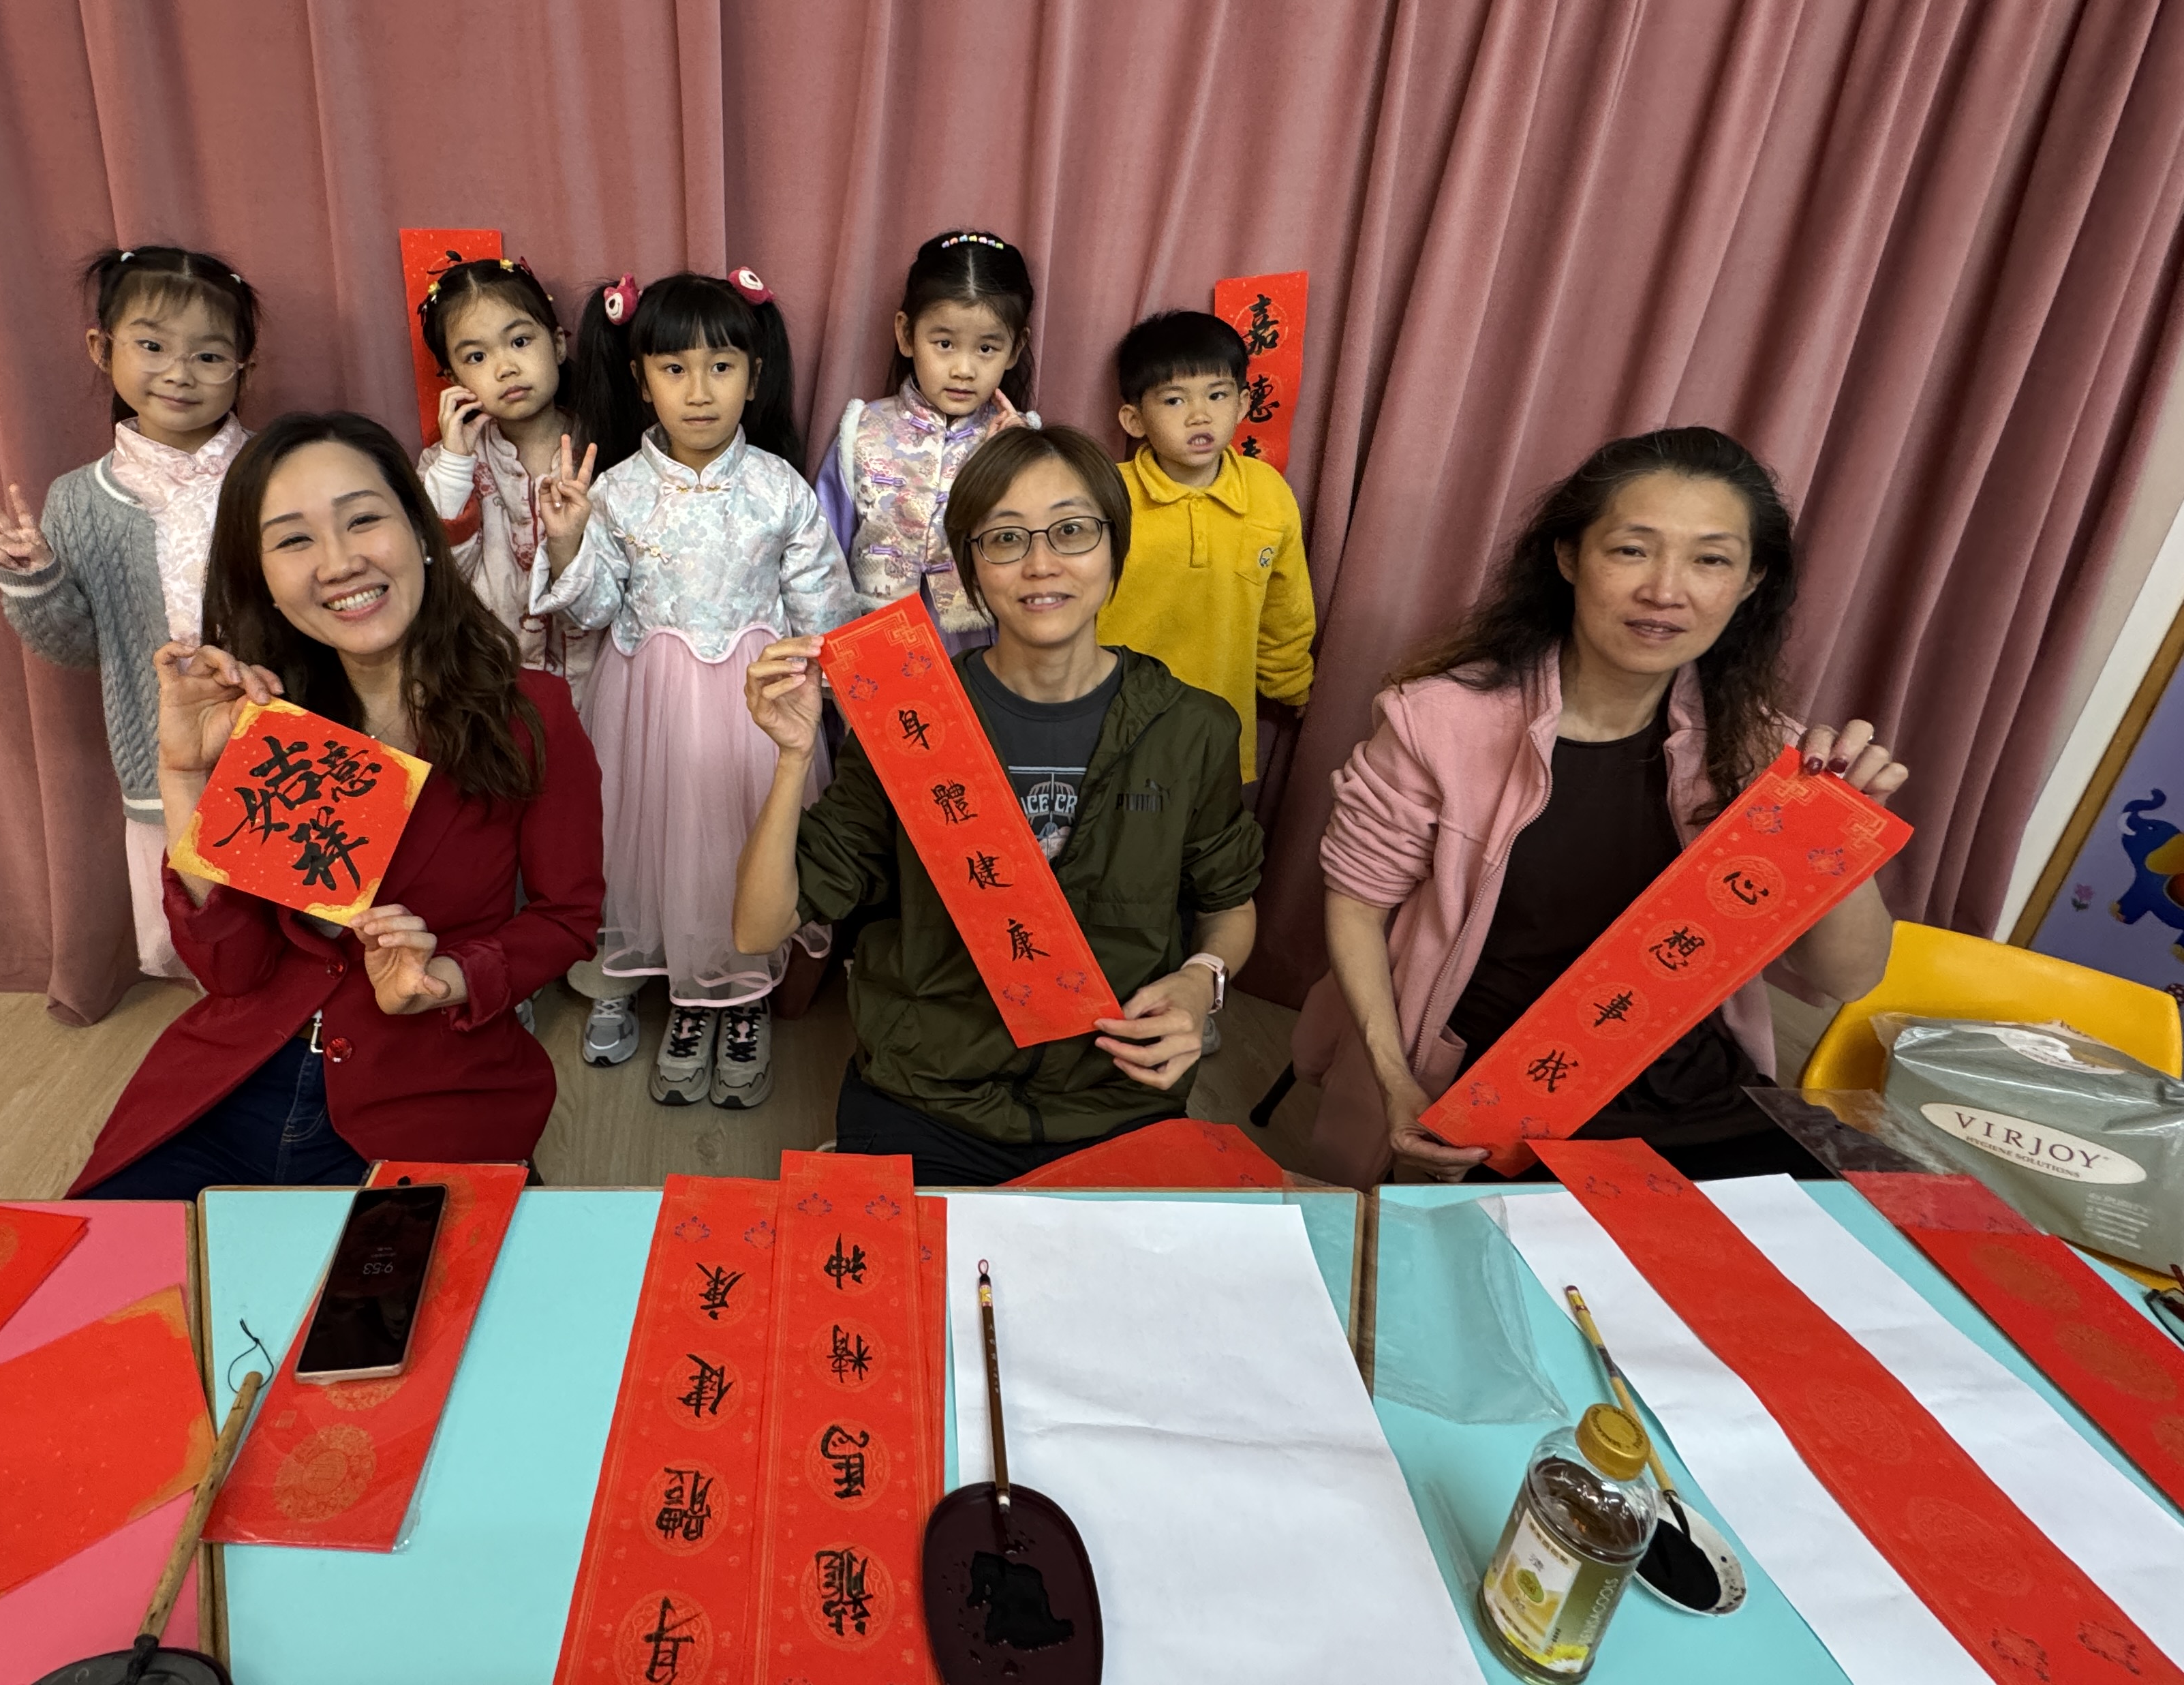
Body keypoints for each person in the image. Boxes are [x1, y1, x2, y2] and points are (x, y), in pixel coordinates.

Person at [1290, 426, 1907, 1187]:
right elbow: (1358, 907)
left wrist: (1839, 831)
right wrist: (1395, 1079)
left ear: (1751, 582)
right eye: (1632, 549)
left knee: (1885, 1235)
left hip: (1695, 1089)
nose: (1666, 590)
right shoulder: (1438, 722)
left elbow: (1848, 977)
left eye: (1710, 559)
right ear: (1569, 556)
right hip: (1495, 1097)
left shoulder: (1765, 752)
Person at [70, 412, 603, 1200]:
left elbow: (567, 919)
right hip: (235, 1084)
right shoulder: (270, 722)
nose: (339, 562)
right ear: (262, 580)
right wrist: (183, 775)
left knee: (412, 1282)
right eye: (293, 540)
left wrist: (447, 977)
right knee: (113, 1266)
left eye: (362, 520)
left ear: (420, 530)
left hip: (429, 1092)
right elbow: (231, 969)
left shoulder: (532, 713)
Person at [731, 424, 1264, 1186]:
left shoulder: (1192, 728)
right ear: (972, 568)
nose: (1041, 564)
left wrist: (1201, 980)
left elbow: (1228, 904)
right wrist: (792, 756)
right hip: (927, 1092)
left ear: (1115, 547)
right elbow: (758, 928)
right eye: (1007, 539)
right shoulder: (912, 720)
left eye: (1072, 531)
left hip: (1116, 1095)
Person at [529, 268, 857, 1112]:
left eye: (721, 367)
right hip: (646, 708)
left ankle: (741, 998)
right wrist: (567, 542)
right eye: (674, 369)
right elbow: (594, 610)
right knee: (651, 843)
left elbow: (824, 610)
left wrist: (831, 693)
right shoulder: (616, 490)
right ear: (642, 381)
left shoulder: (780, 489)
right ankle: (677, 992)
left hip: (758, 708)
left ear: (755, 375)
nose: (699, 390)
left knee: (745, 839)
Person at [0, 245, 259, 984]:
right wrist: (35, 580)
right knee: (209, 931)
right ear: (102, 349)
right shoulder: (79, 499)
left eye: (208, 355)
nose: (179, 372)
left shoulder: (275, 472)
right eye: (153, 346)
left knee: (309, 912)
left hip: (284, 739)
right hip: (163, 752)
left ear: (243, 368)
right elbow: (77, 648)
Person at [1094, 309, 1315, 788]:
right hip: (1112, 736)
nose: (1200, 415)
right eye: (1174, 400)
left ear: (1243, 403)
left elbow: (1286, 607)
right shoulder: (1105, 494)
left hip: (1219, 739)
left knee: (1206, 835)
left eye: (1217, 395)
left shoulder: (1268, 493)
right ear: (1134, 419)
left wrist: (1293, 685)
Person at [813, 229, 1040, 649]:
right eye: (945, 343)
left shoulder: (1024, 442)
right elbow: (823, 554)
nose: (964, 369)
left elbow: (1038, 555)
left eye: (986, 349)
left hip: (985, 648)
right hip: (876, 643)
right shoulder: (861, 432)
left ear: (1014, 348)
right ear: (906, 334)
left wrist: (1019, 460)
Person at [414, 255, 602, 696]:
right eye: (477, 356)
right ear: (453, 378)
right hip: (492, 689)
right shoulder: (443, 465)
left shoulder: (602, 448)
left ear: (558, 344)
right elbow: (437, 576)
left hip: (596, 685)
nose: (505, 368)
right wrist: (456, 462)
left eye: (519, 341)